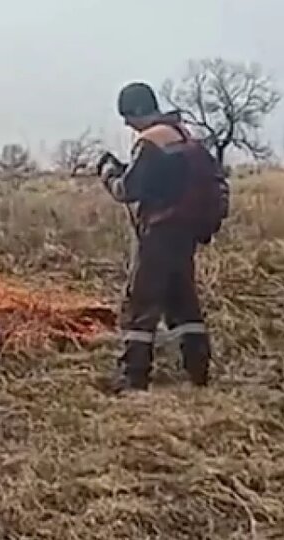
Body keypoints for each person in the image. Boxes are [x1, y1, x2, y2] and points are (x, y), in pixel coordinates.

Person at [97, 81, 227, 391]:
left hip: (158, 235)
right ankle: (198, 371)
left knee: (140, 304)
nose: (126, 123)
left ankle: (133, 376)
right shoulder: (183, 137)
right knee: (182, 303)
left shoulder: (151, 142)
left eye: (127, 116)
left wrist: (109, 174)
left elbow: (127, 190)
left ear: (140, 111)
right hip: (185, 235)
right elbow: (167, 180)